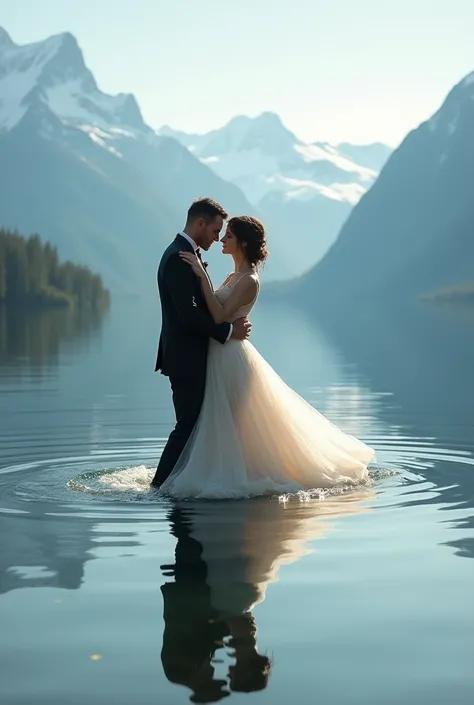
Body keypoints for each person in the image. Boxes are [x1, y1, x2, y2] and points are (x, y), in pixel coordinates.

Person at [156, 212, 375, 499]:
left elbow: (220, 314)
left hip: (230, 357)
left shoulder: (249, 279)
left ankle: (229, 476)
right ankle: (212, 471)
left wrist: (200, 275)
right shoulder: (233, 275)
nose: (222, 239)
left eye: (229, 235)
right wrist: (205, 284)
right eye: (221, 233)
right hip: (218, 352)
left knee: (232, 424)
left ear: (243, 244)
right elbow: (214, 313)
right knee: (216, 422)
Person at [151, 198, 251, 488]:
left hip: (193, 355)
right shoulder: (177, 258)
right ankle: (158, 487)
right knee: (186, 426)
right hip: (184, 357)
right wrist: (228, 332)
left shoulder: (184, 254)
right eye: (215, 231)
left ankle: (188, 478)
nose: (217, 238)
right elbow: (188, 315)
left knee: (195, 425)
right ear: (199, 224)